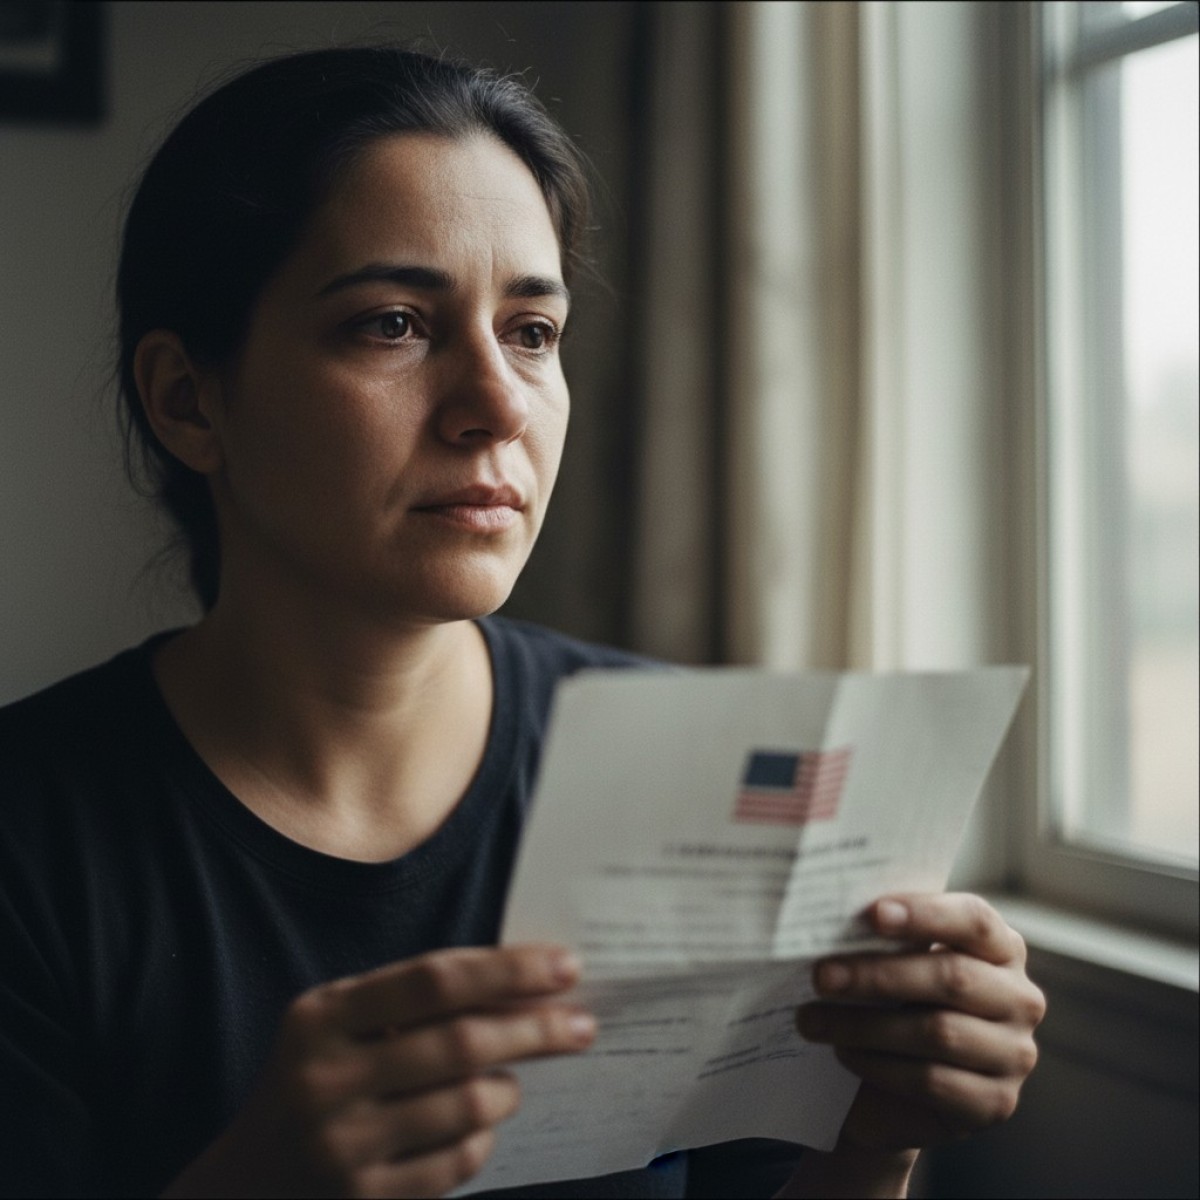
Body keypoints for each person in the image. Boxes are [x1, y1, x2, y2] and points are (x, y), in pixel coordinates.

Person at [0, 46, 1044, 1199]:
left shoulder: (691, 773)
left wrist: (873, 1139)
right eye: (394, 324)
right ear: (189, 400)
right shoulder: (32, 845)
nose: (497, 403)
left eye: (533, 332)